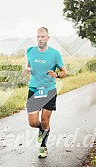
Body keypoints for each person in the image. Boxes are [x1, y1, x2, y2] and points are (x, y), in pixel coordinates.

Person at [23, 27, 67, 158]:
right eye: (38, 37)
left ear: (48, 38)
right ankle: (41, 130)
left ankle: (43, 146)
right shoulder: (30, 51)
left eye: (42, 36)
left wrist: (57, 75)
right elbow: (29, 65)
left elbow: (65, 71)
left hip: (49, 90)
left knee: (45, 120)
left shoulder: (55, 54)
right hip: (34, 90)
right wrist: (27, 69)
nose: (40, 39)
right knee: (33, 123)